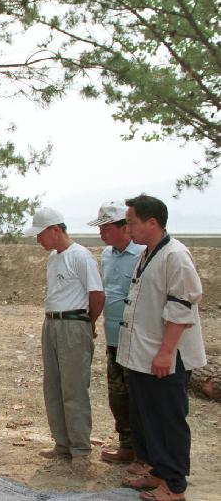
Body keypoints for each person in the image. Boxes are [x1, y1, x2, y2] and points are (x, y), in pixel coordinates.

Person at [118, 194, 206, 501]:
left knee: (167, 419)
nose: (127, 230)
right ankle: (156, 470)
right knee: (146, 417)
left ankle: (174, 484)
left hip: (166, 357)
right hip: (142, 355)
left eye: (131, 223)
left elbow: (181, 307)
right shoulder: (148, 254)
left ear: (151, 222)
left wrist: (167, 352)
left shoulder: (175, 256)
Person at [25, 207, 104, 470]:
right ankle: (62, 443)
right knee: (54, 386)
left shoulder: (81, 256)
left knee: (74, 388)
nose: (38, 240)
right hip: (52, 323)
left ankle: (81, 449)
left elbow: (96, 294)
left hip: (73, 324)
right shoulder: (53, 258)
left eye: (40, 234)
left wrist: (87, 323)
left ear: (55, 230)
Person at [88, 201, 145, 464]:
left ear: (124, 227)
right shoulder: (108, 256)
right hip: (114, 339)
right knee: (118, 396)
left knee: (141, 398)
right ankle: (126, 446)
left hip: (138, 341)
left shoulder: (144, 254)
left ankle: (145, 454)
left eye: (106, 227)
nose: (102, 233)